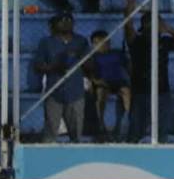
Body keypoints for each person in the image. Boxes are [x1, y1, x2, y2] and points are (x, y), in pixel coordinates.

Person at [123, 0, 174, 143]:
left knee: (161, 131)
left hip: (162, 91)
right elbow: (128, 25)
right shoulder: (136, 41)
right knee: (135, 130)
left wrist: (168, 28)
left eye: (156, 23)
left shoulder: (164, 41)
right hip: (141, 91)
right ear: (144, 26)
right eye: (151, 23)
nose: (154, 27)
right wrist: (131, 3)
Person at [32, 12, 88, 143]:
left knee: (76, 133)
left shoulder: (81, 41)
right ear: (54, 24)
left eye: (69, 20)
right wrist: (54, 67)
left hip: (76, 92)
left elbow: (90, 65)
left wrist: (79, 55)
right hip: (54, 91)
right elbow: (38, 66)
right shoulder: (46, 42)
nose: (66, 22)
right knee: (50, 133)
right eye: (62, 20)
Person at [88, 29, 130, 140]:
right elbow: (90, 73)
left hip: (118, 82)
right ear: (93, 44)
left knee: (126, 91)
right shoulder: (92, 57)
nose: (102, 45)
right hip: (103, 83)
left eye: (105, 42)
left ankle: (128, 121)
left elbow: (128, 67)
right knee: (101, 93)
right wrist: (96, 81)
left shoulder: (117, 54)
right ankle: (101, 123)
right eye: (98, 43)